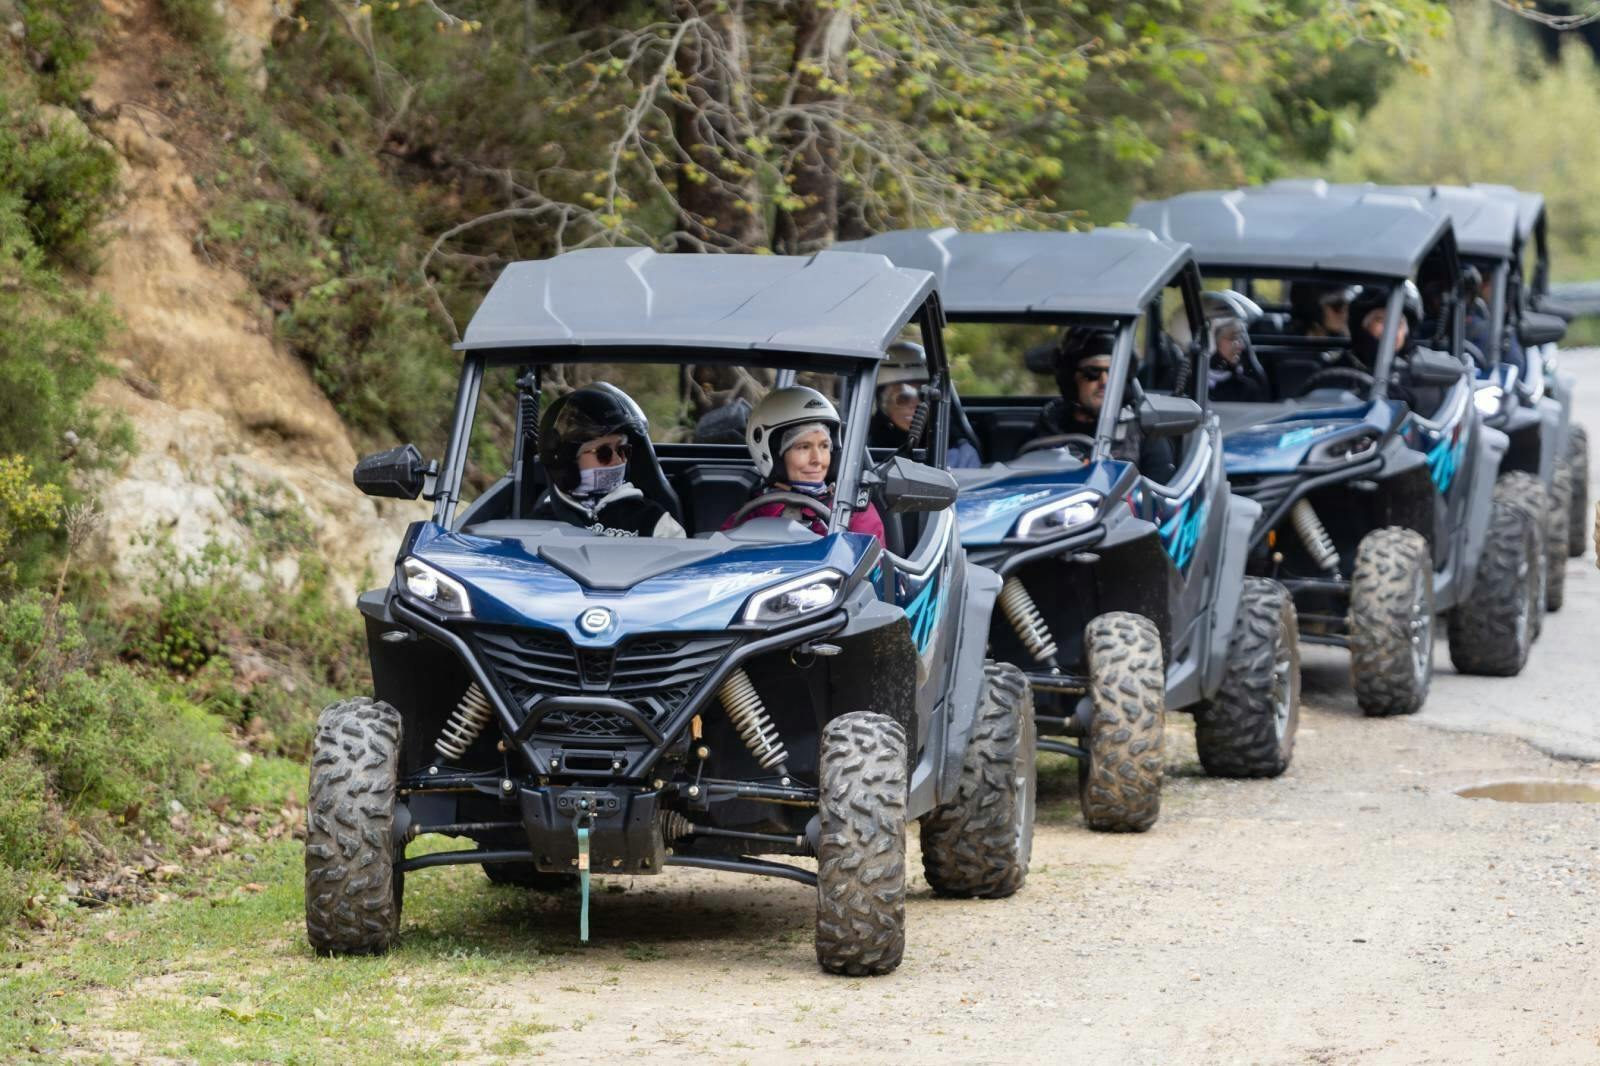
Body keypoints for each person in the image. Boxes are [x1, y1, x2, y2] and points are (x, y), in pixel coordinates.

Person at [723, 386, 886, 546]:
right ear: (774, 454)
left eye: (824, 446)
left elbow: (868, 568)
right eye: (804, 447)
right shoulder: (753, 515)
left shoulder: (853, 512)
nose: (818, 459)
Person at [535, 383, 686, 538]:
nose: (618, 461)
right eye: (603, 453)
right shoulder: (539, 521)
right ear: (565, 460)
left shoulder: (653, 522)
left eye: (623, 450)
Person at [1033, 327, 1178, 483]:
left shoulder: (1144, 432)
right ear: (1071, 378)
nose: (1104, 382)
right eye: (1093, 372)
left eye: (1113, 372)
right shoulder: (1049, 429)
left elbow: (1158, 500)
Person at [867, 340, 982, 468]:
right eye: (904, 397)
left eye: (924, 396)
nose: (915, 405)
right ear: (883, 405)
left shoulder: (959, 454)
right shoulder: (862, 448)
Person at [1346, 283, 1446, 417]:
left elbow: (1428, 403)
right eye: (1380, 320)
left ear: (1406, 333)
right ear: (1363, 325)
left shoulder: (1416, 374)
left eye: (1398, 323)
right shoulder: (1341, 366)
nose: (1390, 330)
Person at [1203, 291, 1270, 402]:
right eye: (1233, 338)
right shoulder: (1178, 384)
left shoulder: (1246, 389)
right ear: (1207, 339)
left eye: (1240, 338)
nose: (1241, 346)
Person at [1287, 282, 1356, 338]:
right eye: (1337, 306)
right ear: (1315, 311)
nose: (1345, 312)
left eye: (1348, 304)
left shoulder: (1341, 341)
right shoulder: (1290, 345)